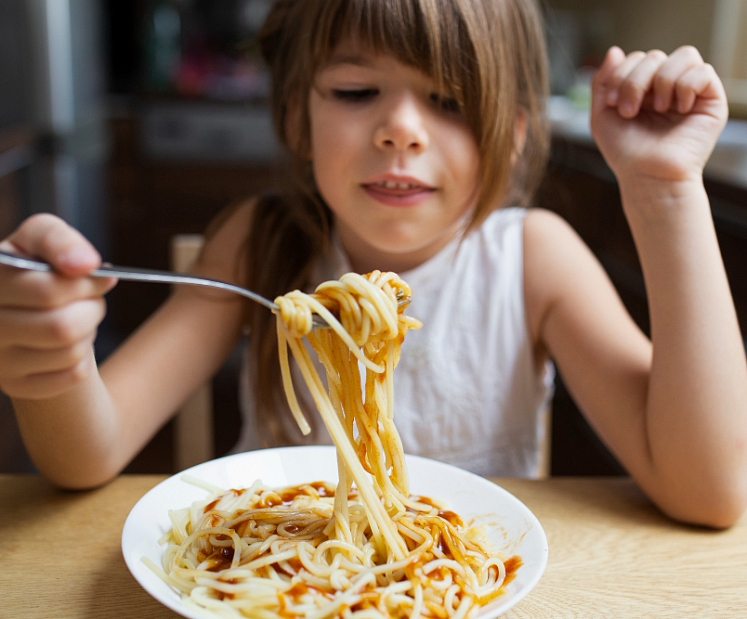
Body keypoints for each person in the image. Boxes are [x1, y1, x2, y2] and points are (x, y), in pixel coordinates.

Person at [1, 0, 745, 528]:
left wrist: (662, 192)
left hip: (460, 584)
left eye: (449, 100)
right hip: (278, 580)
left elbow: (706, 490)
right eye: (357, 91)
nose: (400, 130)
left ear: (514, 132)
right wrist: (54, 362)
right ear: (297, 114)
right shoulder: (257, 243)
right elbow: (87, 453)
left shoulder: (532, 256)